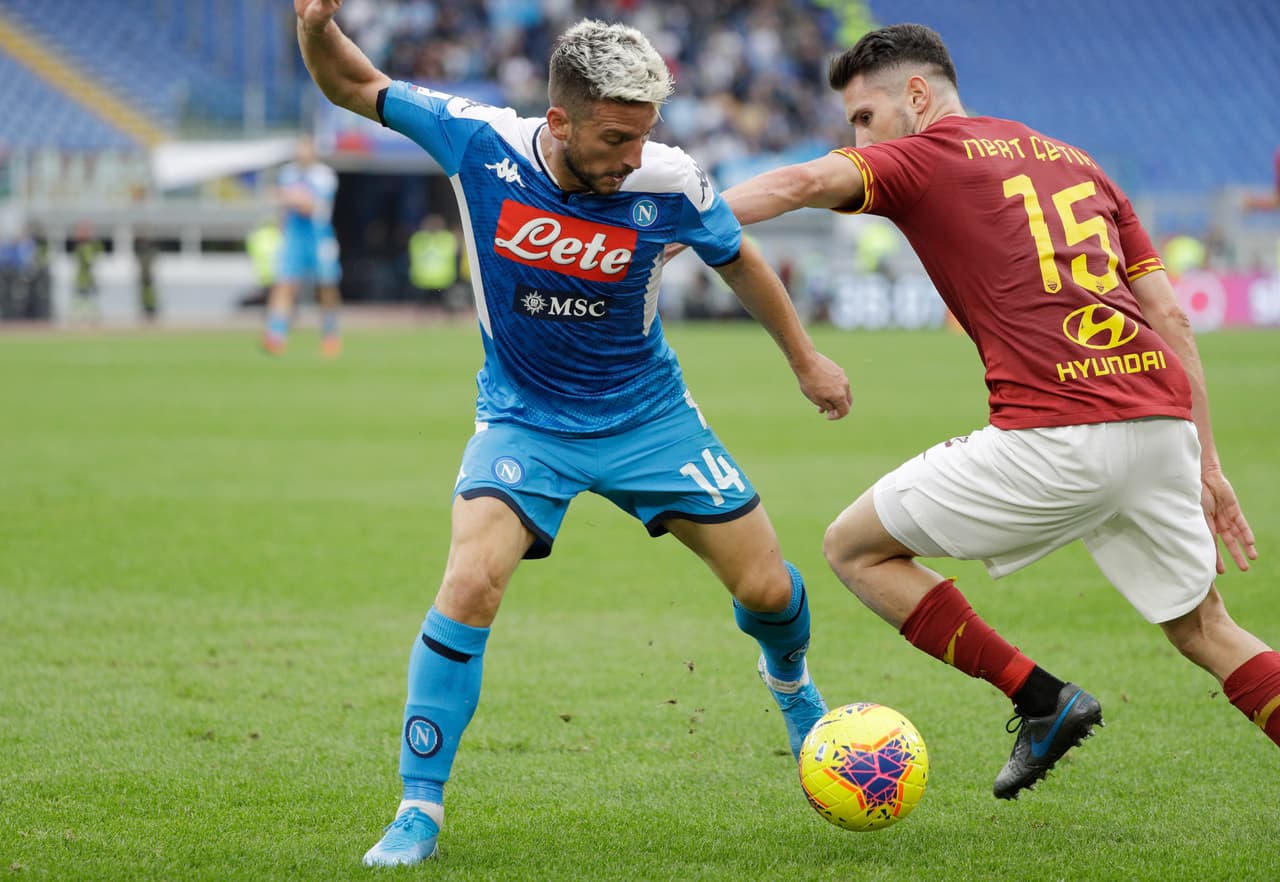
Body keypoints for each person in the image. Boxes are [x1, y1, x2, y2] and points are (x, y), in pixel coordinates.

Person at [293, 0, 853, 867]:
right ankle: (418, 808)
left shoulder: (668, 179)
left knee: (771, 590)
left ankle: (794, 689)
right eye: (615, 141)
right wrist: (314, 26)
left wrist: (805, 360)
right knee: (471, 579)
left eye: (643, 138)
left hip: (647, 417)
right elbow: (351, 82)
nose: (633, 159)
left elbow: (736, 256)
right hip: (524, 417)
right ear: (559, 120)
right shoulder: (477, 140)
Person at [719, 23, 1280, 801]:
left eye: (863, 118)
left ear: (917, 95)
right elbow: (1173, 320)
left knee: (853, 549)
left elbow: (798, 185)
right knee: (1206, 630)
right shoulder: (1079, 163)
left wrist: (682, 222)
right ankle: (1047, 701)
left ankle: (1039, 697)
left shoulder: (926, 155)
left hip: (1057, 434)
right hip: (1161, 426)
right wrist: (1208, 464)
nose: (859, 137)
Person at [262, 137, 343, 357]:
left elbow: (310, 206)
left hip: (318, 235)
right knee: (285, 284)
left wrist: (285, 197)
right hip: (294, 235)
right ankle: (275, 336)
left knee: (326, 286)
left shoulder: (324, 175)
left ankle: (330, 334)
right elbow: (284, 207)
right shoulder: (288, 174)